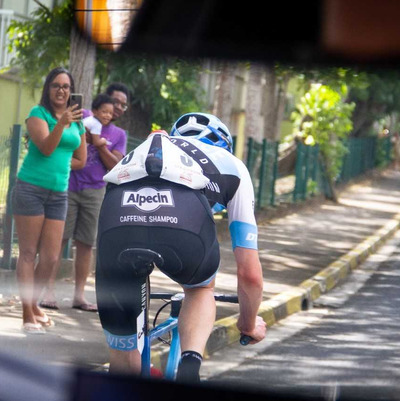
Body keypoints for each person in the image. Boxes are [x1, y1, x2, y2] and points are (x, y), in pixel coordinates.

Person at [96, 112, 267, 381]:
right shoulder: (232, 165)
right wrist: (248, 324)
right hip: (183, 220)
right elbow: (250, 275)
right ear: (224, 144)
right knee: (199, 289)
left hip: (118, 218)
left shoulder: (151, 149)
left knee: (122, 356)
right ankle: (189, 368)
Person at [39, 83, 129, 312]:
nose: (116, 108)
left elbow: (115, 165)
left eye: (122, 105)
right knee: (58, 240)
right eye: (114, 102)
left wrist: (99, 146)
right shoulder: (84, 116)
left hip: (95, 191)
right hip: (67, 185)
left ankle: (79, 296)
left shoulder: (119, 134)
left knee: (86, 244)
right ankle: (48, 291)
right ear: (102, 101)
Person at [11, 67, 86, 334]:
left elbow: (81, 159)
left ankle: (34, 305)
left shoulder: (77, 121)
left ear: (71, 90)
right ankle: (27, 313)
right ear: (48, 88)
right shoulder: (37, 114)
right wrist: (62, 124)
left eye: (66, 86)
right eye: (56, 85)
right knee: (29, 253)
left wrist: (62, 165)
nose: (61, 90)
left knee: (52, 258)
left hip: (59, 193)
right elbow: (45, 147)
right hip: (31, 188)